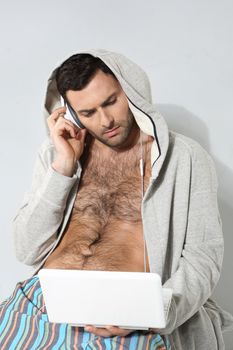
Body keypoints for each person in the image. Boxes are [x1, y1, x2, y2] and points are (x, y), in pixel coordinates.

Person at [0, 49, 232, 349]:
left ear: (130, 91)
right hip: (43, 306)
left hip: (127, 318)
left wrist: (154, 313)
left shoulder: (185, 158)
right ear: (70, 114)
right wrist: (63, 168)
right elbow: (26, 249)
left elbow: (204, 258)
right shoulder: (57, 154)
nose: (106, 120)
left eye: (111, 102)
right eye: (88, 113)